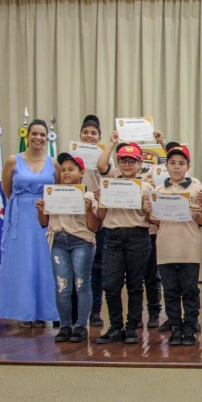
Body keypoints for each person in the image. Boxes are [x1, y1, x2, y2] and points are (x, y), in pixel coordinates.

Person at [0, 119, 61, 327]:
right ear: (27, 136)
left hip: (44, 218)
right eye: (34, 133)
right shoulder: (13, 160)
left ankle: (44, 312)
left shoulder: (53, 163)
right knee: (22, 265)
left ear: (47, 138)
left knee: (44, 264)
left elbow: (58, 188)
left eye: (42, 135)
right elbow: (7, 189)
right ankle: (24, 313)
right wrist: (23, 203)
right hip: (21, 217)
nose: (38, 138)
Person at [143, 145, 202, 346]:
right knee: (170, 291)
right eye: (172, 163)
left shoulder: (196, 189)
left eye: (181, 163)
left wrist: (198, 213)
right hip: (166, 247)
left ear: (188, 166)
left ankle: (189, 327)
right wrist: (148, 212)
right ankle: (175, 327)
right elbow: (156, 221)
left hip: (189, 247)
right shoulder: (158, 191)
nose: (176, 167)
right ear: (166, 166)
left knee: (189, 289)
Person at [35, 153, 99, 342]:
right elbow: (44, 222)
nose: (65, 173)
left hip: (81, 241)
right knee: (62, 286)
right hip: (58, 242)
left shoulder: (87, 195)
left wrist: (88, 209)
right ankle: (64, 326)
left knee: (82, 284)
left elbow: (94, 227)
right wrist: (41, 211)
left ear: (81, 173)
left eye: (71, 169)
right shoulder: (52, 194)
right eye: (62, 170)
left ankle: (80, 326)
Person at [95, 139, 153, 344]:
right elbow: (101, 216)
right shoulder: (111, 184)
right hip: (113, 237)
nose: (127, 165)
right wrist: (102, 200)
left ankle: (131, 327)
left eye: (132, 161)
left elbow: (152, 219)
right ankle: (115, 326)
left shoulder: (146, 187)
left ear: (140, 164)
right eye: (123, 161)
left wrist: (148, 210)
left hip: (138, 237)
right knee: (111, 285)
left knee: (135, 285)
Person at [74, 115, 109, 328]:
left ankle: (95, 311)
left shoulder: (106, 158)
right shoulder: (70, 157)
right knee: (76, 265)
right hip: (75, 217)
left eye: (93, 133)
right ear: (80, 135)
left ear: (99, 137)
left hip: (98, 215)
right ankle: (76, 312)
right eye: (85, 132)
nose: (89, 136)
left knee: (98, 265)